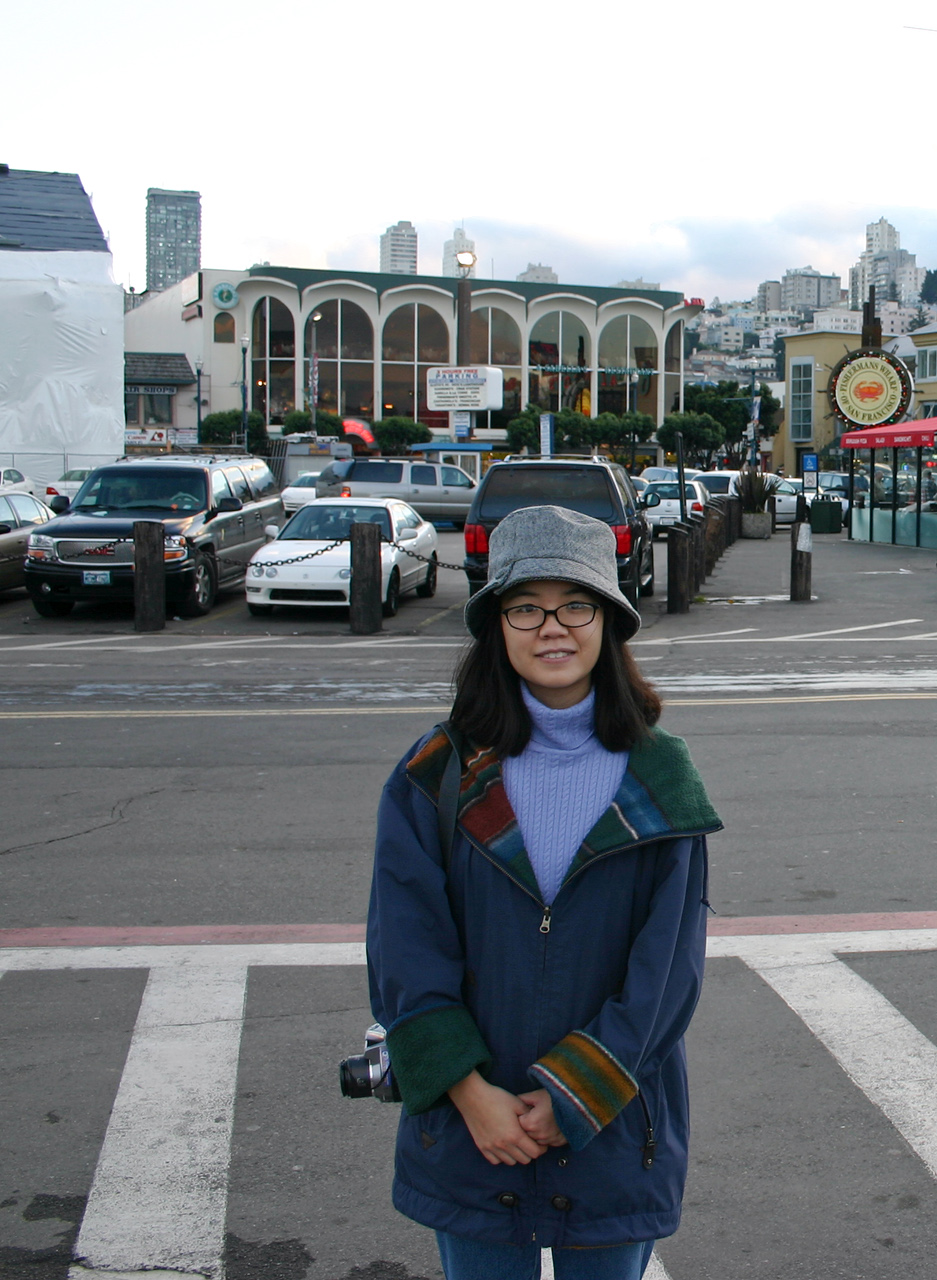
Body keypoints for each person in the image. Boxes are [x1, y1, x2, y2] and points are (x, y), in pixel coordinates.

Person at [367, 505, 720, 1280]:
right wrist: (470, 1095)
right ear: (496, 625)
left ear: (609, 622)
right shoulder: (437, 773)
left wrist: (572, 1099)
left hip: (615, 1128)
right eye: (526, 607)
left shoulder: (660, 778)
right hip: (473, 1134)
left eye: (576, 605)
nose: (552, 628)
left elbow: (667, 973)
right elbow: (404, 949)